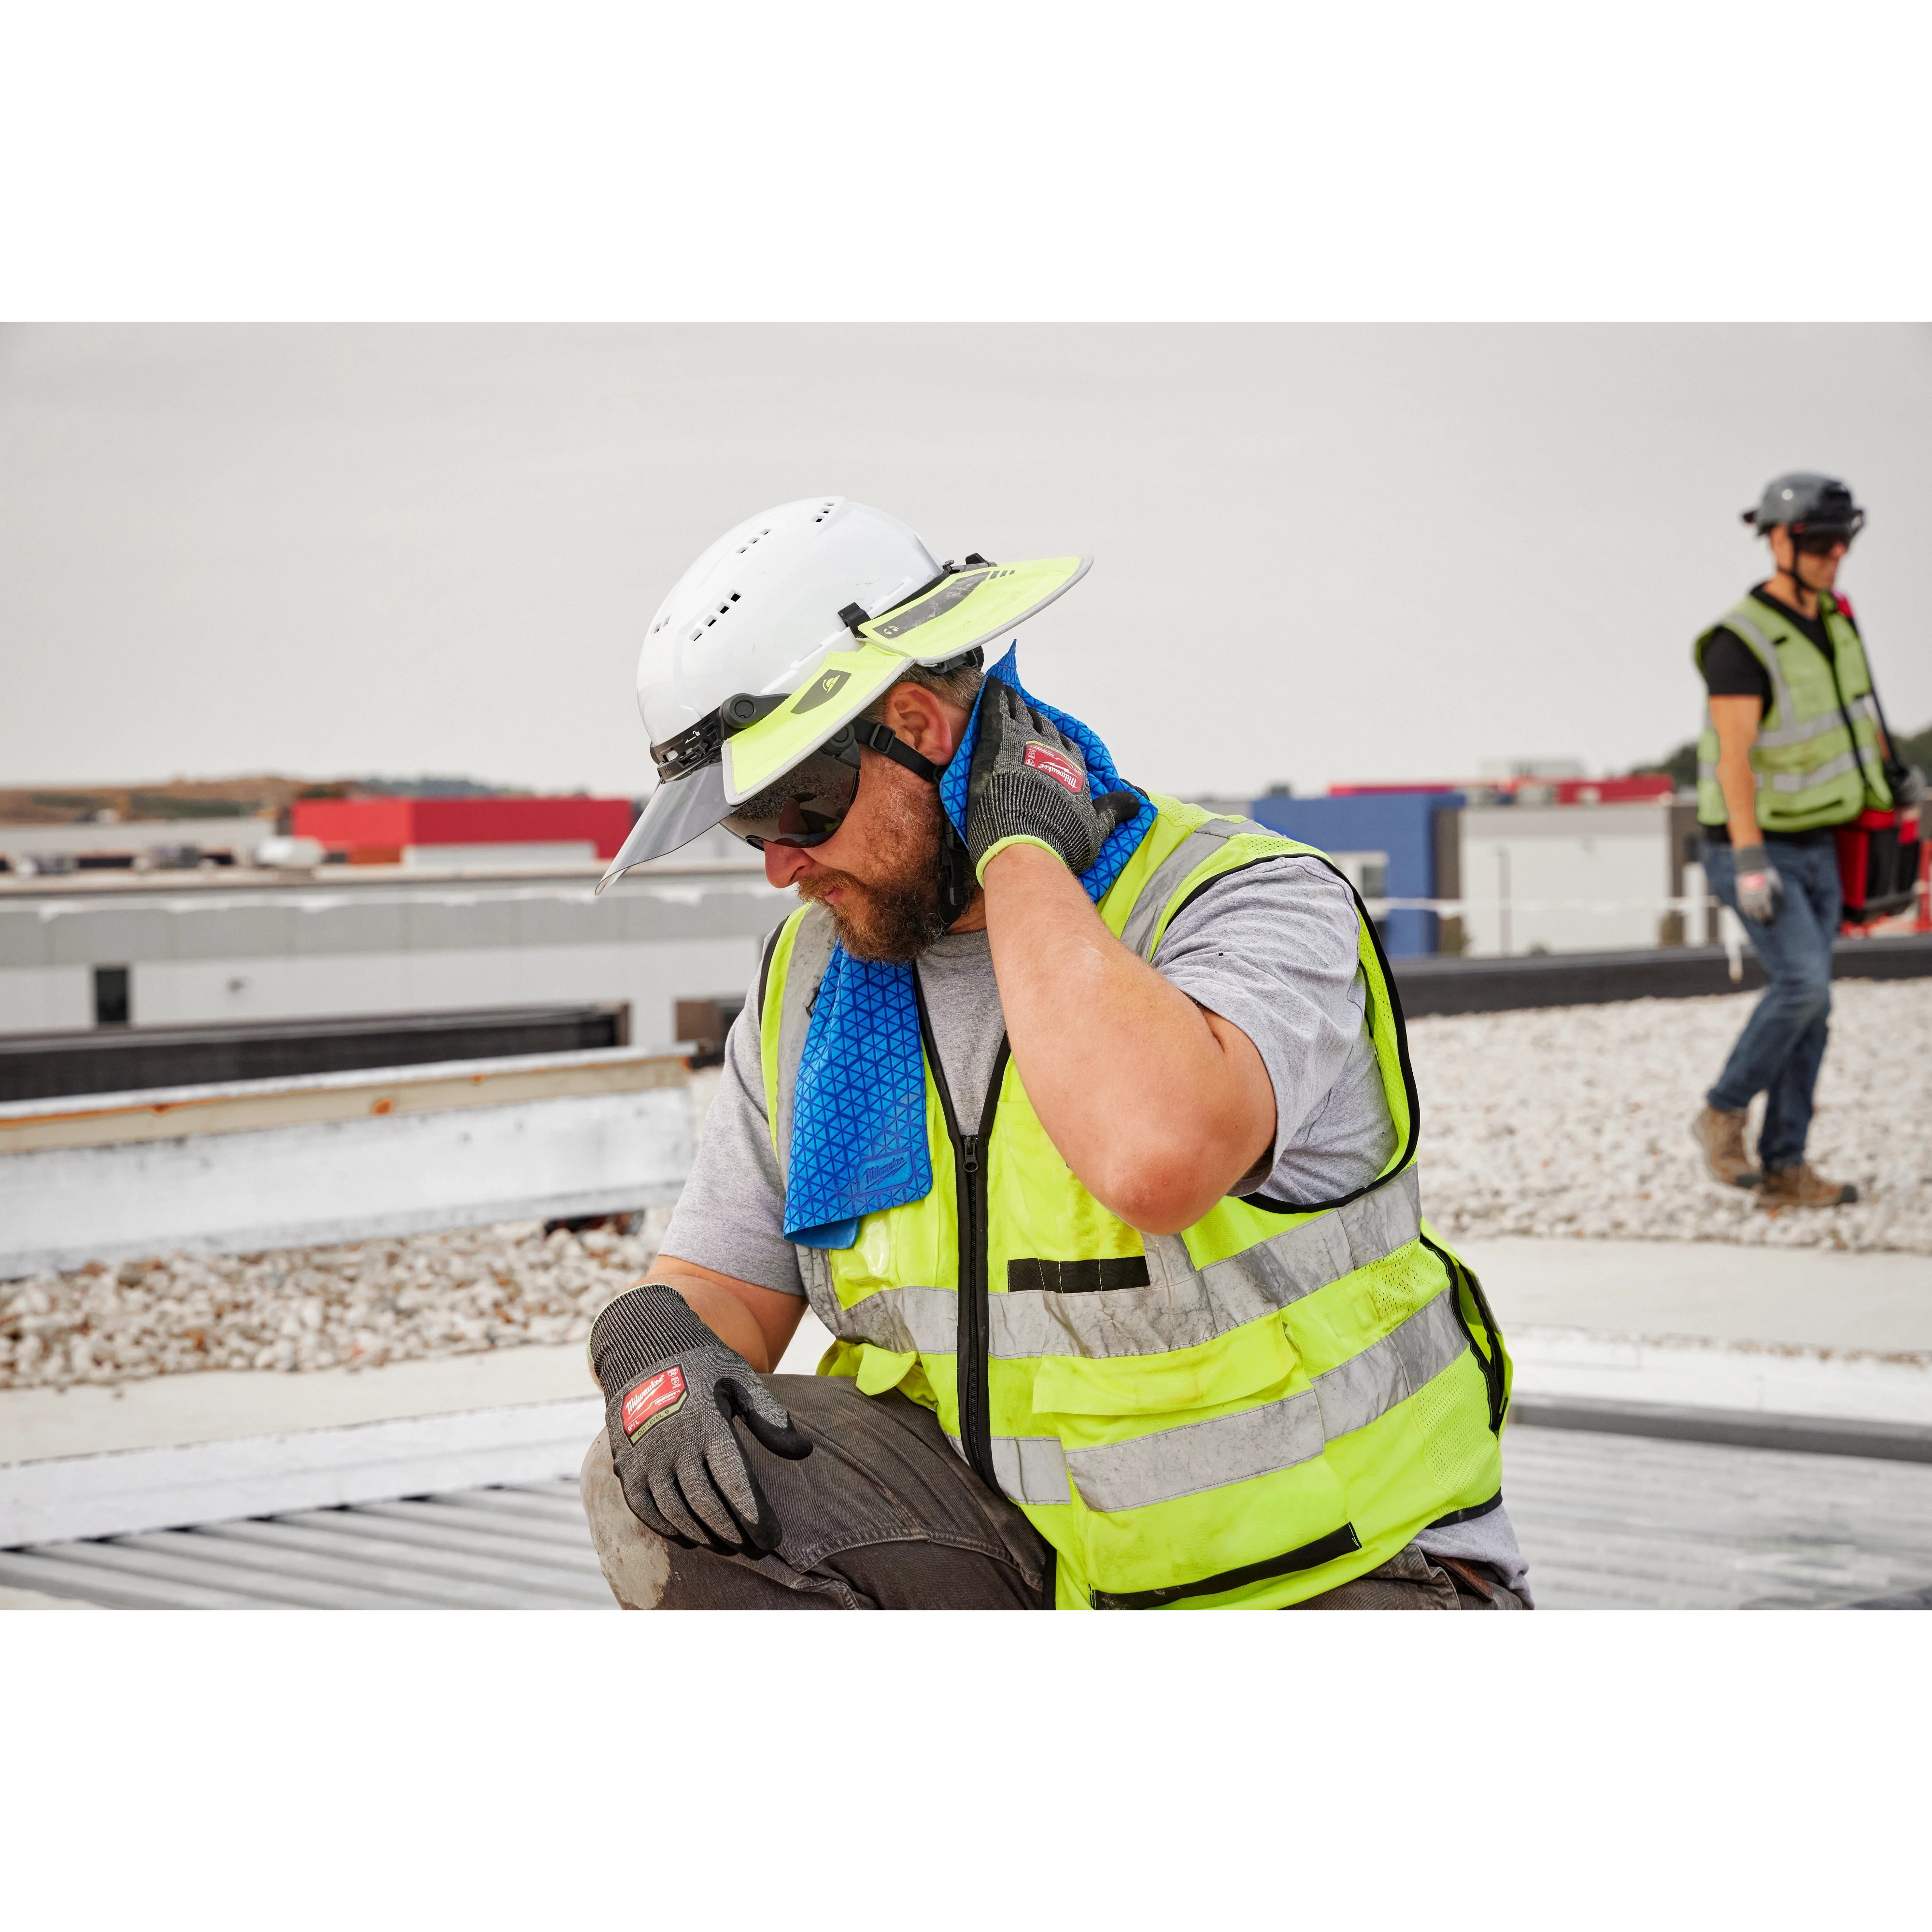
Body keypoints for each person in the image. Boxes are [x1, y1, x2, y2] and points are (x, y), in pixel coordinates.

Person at [579, 497, 1526, 1611]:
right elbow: (723, 1284)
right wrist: (649, 1342)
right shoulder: (816, 981)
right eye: (751, 825)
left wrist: (1020, 846)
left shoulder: (1242, 901)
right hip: (1036, 1570)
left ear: (922, 731)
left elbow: (1154, 1155)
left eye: (802, 804)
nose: (782, 866)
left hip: (1340, 1571)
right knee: (671, 1482)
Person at [1690, 473, 1924, 1207]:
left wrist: (1894, 782)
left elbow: (1854, 719)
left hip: (1824, 839)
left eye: (1842, 541)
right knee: (1802, 987)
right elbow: (1733, 760)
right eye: (1820, 543)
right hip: (1754, 848)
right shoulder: (1741, 640)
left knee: (1815, 1008)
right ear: (1778, 540)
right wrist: (1752, 860)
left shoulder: (1835, 618)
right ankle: (1722, 1112)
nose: (1834, 556)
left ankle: (1785, 1169)